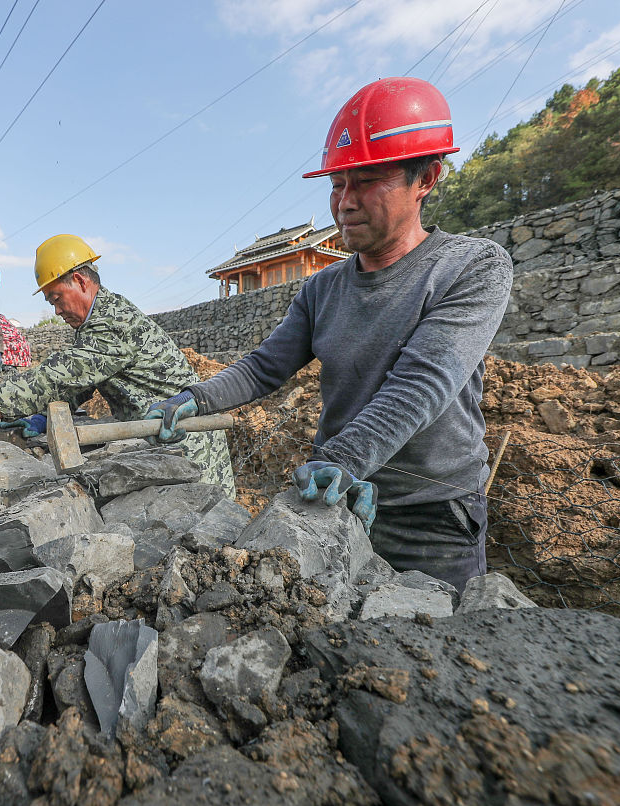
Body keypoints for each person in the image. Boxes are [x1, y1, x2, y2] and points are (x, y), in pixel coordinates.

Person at [147, 77, 513, 594]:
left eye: (367, 181)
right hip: (334, 500)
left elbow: (424, 381)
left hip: (429, 519)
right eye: (338, 185)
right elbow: (264, 367)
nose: (345, 202)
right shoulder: (322, 288)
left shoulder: (471, 267)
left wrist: (342, 459)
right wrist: (197, 397)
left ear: (426, 178)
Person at [0, 234, 236, 497]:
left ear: (79, 281)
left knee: (211, 526)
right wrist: (41, 416)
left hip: (190, 441)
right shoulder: (95, 321)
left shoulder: (113, 321)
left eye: (57, 298)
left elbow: (64, 372)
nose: (56, 310)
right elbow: (86, 380)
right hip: (163, 435)